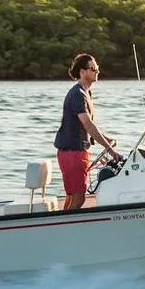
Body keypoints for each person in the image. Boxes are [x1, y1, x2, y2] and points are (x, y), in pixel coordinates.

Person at [54, 54, 122, 210]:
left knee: (72, 196)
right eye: (93, 68)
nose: (97, 71)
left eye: (97, 68)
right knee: (78, 199)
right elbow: (88, 125)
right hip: (73, 153)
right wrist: (110, 150)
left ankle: (63, 226)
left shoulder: (85, 93)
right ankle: (65, 229)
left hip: (76, 152)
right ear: (82, 72)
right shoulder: (77, 94)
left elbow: (87, 127)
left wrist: (106, 139)